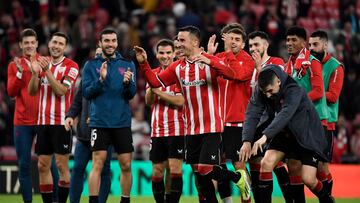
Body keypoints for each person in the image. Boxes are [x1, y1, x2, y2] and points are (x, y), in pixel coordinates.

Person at [134, 25, 251, 203]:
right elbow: (155, 82)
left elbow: (234, 73)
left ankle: (238, 178)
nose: (178, 44)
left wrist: (211, 59)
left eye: (182, 40)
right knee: (200, 176)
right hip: (191, 129)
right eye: (178, 40)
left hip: (212, 126)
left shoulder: (208, 62)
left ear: (195, 42)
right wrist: (144, 63)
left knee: (205, 169)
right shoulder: (177, 67)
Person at [239, 65, 334, 203]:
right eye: (265, 92)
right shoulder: (263, 90)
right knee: (266, 162)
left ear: (278, 81)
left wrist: (264, 136)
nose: (268, 95)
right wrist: (246, 140)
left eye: (270, 91)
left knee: (308, 179)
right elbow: (252, 113)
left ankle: (326, 198)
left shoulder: (294, 89)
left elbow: (285, 114)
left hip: (307, 135)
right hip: (286, 133)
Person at [82, 28, 136, 203]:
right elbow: (86, 93)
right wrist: (101, 80)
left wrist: (128, 84)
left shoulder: (128, 64)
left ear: (117, 43)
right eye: (106, 41)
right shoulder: (91, 65)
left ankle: (125, 200)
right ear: (100, 43)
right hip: (100, 122)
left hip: (121, 121)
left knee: (126, 165)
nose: (110, 44)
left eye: (113, 40)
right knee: (97, 163)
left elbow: (131, 94)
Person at [7, 28, 59, 203]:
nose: (29, 45)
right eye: (26, 43)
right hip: (22, 122)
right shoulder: (14, 66)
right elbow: (11, 92)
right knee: (24, 165)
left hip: (43, 121)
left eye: (32, 42)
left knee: (50, 165)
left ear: (37, 44)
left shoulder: (46, 62)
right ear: (21, 45)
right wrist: (21, 73)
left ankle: (56, 200)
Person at [28, 32, 79, 203]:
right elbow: (32, 91)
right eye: (54, 42)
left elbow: (61, 91)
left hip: (61, 123)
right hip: (43, 122)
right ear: (49, 44)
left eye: (60, 43)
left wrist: (46, 71)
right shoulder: (42, 62)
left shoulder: (72, 66)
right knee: (42, 166)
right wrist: (35, 74)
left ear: (65, 47)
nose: (56, 46)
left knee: (61, 166)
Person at [207, 23, 254, 203]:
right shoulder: (218, 57)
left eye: (237, 40)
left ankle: (246, 201)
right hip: (217, 123)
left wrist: (224, 55)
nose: (233, 42)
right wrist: (210, 56)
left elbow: (237, 74)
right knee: (215, 167)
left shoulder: (247, 61)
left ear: (243, 44)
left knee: (239, 166)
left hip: (237, 123)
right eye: (230, 38)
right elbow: (206, 77)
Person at [283, 26, 328, 202]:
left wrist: (296, 103)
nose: (289, 43)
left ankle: (326, 198)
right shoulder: (288, 65)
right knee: (293, 166)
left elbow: (318, 91)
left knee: (309, 178)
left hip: (313, 124)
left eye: (294, 40)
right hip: (296, 125)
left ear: (303, 42)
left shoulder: (312, 61)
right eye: (287, 40)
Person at [248, 30, 292, 202]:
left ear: (266, 45)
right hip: (255, 122)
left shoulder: (276, 63)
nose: (253, 48)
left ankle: (292, 199)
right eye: (250, 45)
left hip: (271, 122)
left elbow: (277, 92)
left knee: (274, 164)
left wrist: (259, 68)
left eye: (256, 44)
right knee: (254, 166)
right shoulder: (247, 65)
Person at [65, 47, 112, 203]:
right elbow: (78, 99)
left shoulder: (111, 80)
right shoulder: (86, 78)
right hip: (84, 134)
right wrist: (70, 115)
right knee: (78, 168)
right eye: (97, 54)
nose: (99, 57)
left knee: (104, 171)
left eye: (102, 55)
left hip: (105, 132)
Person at [145, 39, 185, 203]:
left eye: (168, 52)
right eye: (162, 53)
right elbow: (148, 101)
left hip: (177, 129)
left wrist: (157, 91)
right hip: (157, 130)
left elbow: (180, 101)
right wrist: (153, 89)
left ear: (174, 53)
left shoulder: (180, 73)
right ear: (157, 54)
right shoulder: (152, 73)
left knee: (175, 169)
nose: (165, 56)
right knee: (157, 171)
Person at [309, 30, 344, 195]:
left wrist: (314, 91)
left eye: (315, 44)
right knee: (309, 168)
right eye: (309, 45)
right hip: (309, 121)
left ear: (325, 45)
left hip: (326, 123)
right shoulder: (308, 64)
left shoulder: (335, 67)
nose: (312, 48)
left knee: (322, 166)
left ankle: (327, 198)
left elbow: (333, 96)